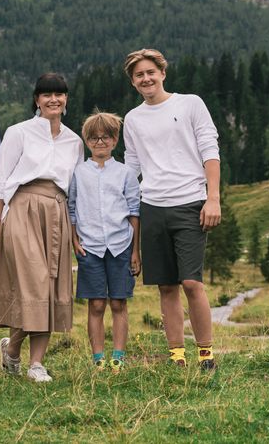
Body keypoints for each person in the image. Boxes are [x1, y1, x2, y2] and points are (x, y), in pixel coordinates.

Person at [122, 48, 221, 370]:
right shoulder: (134, 119)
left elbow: (210, 149)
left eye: (151, 72)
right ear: (133, 82)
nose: (146, 78)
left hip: (191, 202)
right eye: (139, 75)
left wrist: (213, 197)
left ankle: (206, 354)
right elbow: (131, 166)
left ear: (163, 73)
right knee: (166, 285)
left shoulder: (190, 103)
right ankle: (177, 356)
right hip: (152, 205)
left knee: (191, 282)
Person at [0, 73, 83, 382]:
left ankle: (30, 361)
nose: (54, 99)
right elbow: (0, 179)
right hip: (23, 209)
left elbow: (76, 189)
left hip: (58, 211)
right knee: (34, 283)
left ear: (66, 99)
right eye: (46, 94)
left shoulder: (74, 141)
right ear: (37, 100)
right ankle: (15, 350)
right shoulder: (19, 132)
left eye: (60, 94)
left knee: (52, 287)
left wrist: (76, 230)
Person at [68, 112, 141, 373]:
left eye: (106, 137)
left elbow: (134, 211)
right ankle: (98, 358)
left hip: (121, 245)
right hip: (90, 246)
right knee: (96, 303)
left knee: (118, 302)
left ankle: (118, 356)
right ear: (87, 141)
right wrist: (75, 240)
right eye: (94, 138)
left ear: (114, 140)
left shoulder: (125, 173)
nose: (100, 142)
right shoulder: (79, 172)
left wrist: (135, 251)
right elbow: (72, 207)